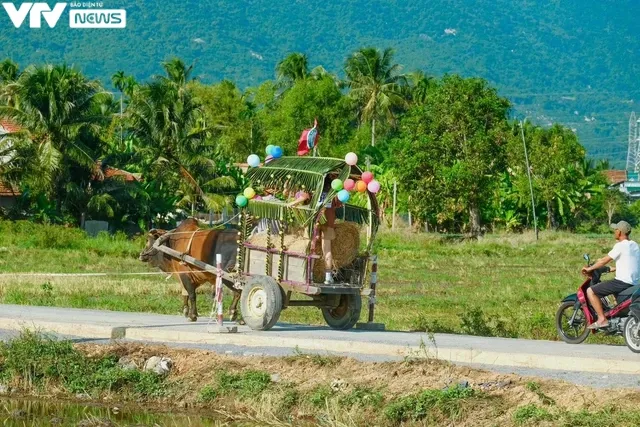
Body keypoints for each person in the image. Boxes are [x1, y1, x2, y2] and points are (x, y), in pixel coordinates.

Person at [582, 220, 640, 329]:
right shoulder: (635, 245)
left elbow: (604, 261)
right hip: (634, 283)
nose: (614, 232)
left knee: (591, 291)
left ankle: (602, 319)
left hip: (622, 282)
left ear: (619, 232)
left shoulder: (621, 245)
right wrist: (612, 269)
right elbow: (629, 263)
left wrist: (589, 268)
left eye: (615, 230)